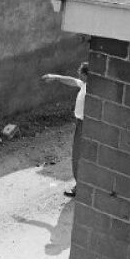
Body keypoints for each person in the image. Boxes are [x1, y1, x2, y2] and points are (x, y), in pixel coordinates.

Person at [42, 62, 89, 197]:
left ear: (86, 75)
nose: (79, 76)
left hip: (85, 125)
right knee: (79, 155)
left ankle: (79, 187)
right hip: (81, 123)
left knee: (78, 155)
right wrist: (55, 76)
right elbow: (72, 81)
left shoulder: (91, 89)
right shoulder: (85, 84)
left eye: (81, 74)